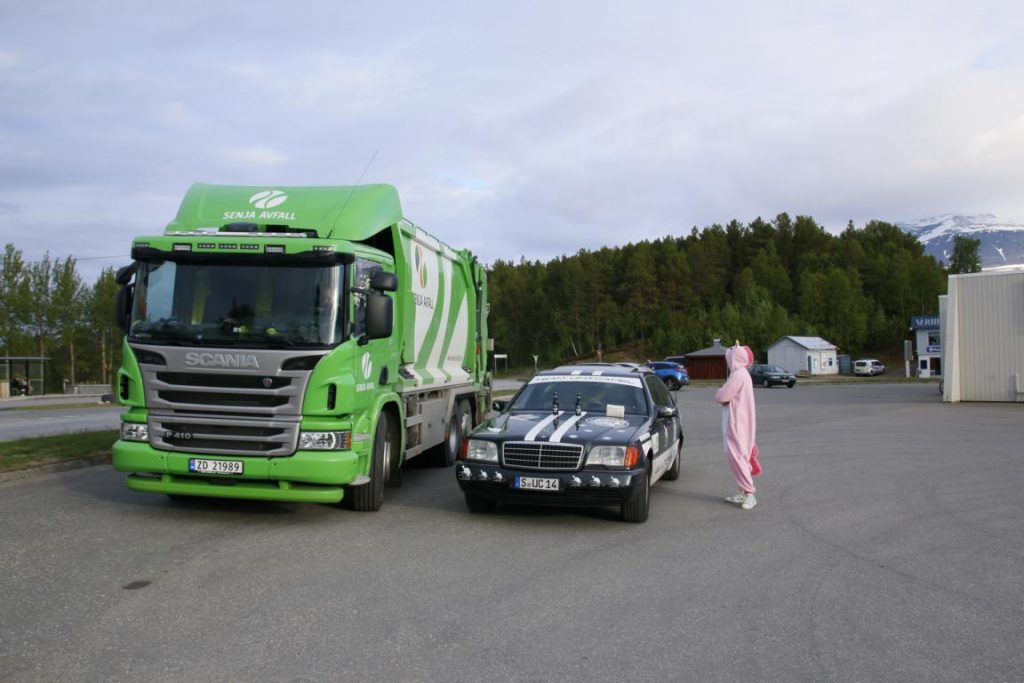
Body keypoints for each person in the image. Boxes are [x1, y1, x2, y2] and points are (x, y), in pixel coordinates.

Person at [714, 341, 761, 510]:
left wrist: (719, 392)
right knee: (738, 456)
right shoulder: (741, 374)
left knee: (738, 456)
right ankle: (743, 491)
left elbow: (723, 396)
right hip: (739, 421)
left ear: (734, 358)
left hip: (736, 423)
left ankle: (750, 493)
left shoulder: (738, 375)